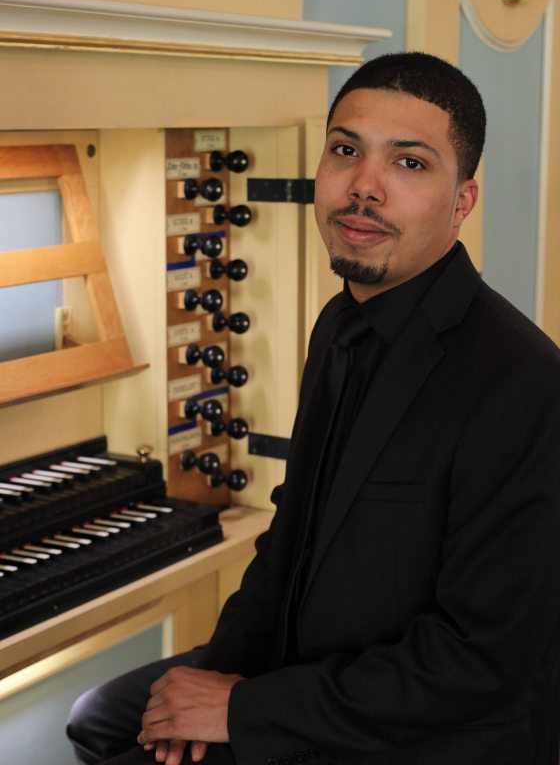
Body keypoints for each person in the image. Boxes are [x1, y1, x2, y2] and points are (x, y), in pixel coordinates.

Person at [67, 52, 560, 765]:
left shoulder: (526, 385)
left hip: (425, 727)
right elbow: (288, 541)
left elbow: (481, 663)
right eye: (345, 151)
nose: (364, 187)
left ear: (462, 202)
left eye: (410, 164)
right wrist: (214, 675)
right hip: (313, 667)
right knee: (101, 718)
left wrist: (242, 709)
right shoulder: (339, 324)